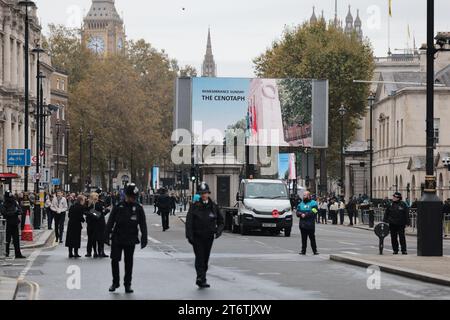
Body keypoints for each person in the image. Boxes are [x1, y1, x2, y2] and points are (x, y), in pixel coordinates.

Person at [105, 183, 148, 294]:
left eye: (134, 197)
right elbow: (110, 222)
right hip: (117, 237)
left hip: (131, 238)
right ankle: (115, 282)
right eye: (130, 197)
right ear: (126, 195)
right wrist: (106, 235)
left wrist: (144, 237)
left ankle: (127, 284)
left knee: (129, 262)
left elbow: (143, 224)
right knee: (114, 260)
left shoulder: (138, 208)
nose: (132, 199)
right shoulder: (118, 206)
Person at [186, 182, 224, 288]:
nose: (204, 195)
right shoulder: (194, 207)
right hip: (197, 236)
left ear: (208, 193)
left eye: (205, 193)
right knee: (199, 257)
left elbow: (221, 221)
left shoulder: (213, 206)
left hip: (209, 237)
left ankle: (203, 277)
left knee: (205, 258)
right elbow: (189, 222)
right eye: (202, 193)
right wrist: (189, 235)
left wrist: (218, 231)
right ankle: (200, 277)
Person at [0, 191, 26, 259]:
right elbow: (4, 213)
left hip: (14, 222)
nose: (11, 198)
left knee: (16, 240)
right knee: (7, 239)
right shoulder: (4, 204)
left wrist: (16, 212)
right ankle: (6, 253)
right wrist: (14, 212)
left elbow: (20, 210)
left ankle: (18, 253)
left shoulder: (14, 202)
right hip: (7, 223)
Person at [86, 192, 110, 258]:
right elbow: (98, 214)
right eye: (95, 196)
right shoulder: (90, 205)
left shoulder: (99, 203)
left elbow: (100, 214)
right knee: (95, 238)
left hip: (100, 223)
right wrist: (106, 211)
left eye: (97, 196)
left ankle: (100, 252)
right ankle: (96, 252)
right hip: (94, 224)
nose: (96, 197)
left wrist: (106, 211)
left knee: (100, 239)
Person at [297, 191, 319, 256]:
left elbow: (315, 211)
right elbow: (297, 212)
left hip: (310, 224)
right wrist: (301, 214)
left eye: (305, 195)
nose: (304, 196)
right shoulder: (300, 204)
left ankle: (315, 251)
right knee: (303, 238)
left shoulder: (313, 203)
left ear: (309, 196)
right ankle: (303, 251)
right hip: (302, 224)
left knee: (312, 238)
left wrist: (306, 215)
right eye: (303, 195)